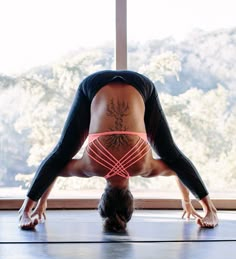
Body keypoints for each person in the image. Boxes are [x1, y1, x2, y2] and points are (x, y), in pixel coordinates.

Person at [18, 69, 218, 231]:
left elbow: (176, 168)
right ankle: (25, 211)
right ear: (103, 196)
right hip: (93, 85)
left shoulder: (144, 168)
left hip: (141, 86)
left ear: (130, 197)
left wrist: (186, 201)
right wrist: (42, 202)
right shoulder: (90, 168)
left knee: (172, 155)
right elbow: (56, 168)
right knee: (61, 154)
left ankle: (210, 210)